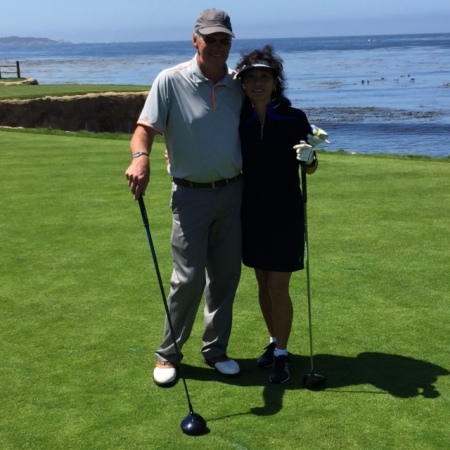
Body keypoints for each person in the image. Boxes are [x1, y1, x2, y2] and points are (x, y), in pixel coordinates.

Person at [125, 9, 244, 387]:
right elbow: (144, 129)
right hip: (190, 195)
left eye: (224, 39)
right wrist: (141, 158)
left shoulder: (239, 85)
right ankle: (168, 353)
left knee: (225, 276)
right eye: (211, 39)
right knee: (188, 279)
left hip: (233, 191)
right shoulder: (170, 80)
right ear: (195, 40)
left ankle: (216, 349)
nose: (218, 46)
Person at [235, 45, 328, 384]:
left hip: (286, 212)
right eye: (251, 77)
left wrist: (309, 158)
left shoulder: (293, 118)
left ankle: (283, 356)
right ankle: (274, 343)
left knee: (278, 286)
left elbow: (312, 168)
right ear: (242, 83)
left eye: (264, 76)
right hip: (250, 212)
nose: (257, 82)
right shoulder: (238, 119)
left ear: (275, 82)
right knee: (261, 282)